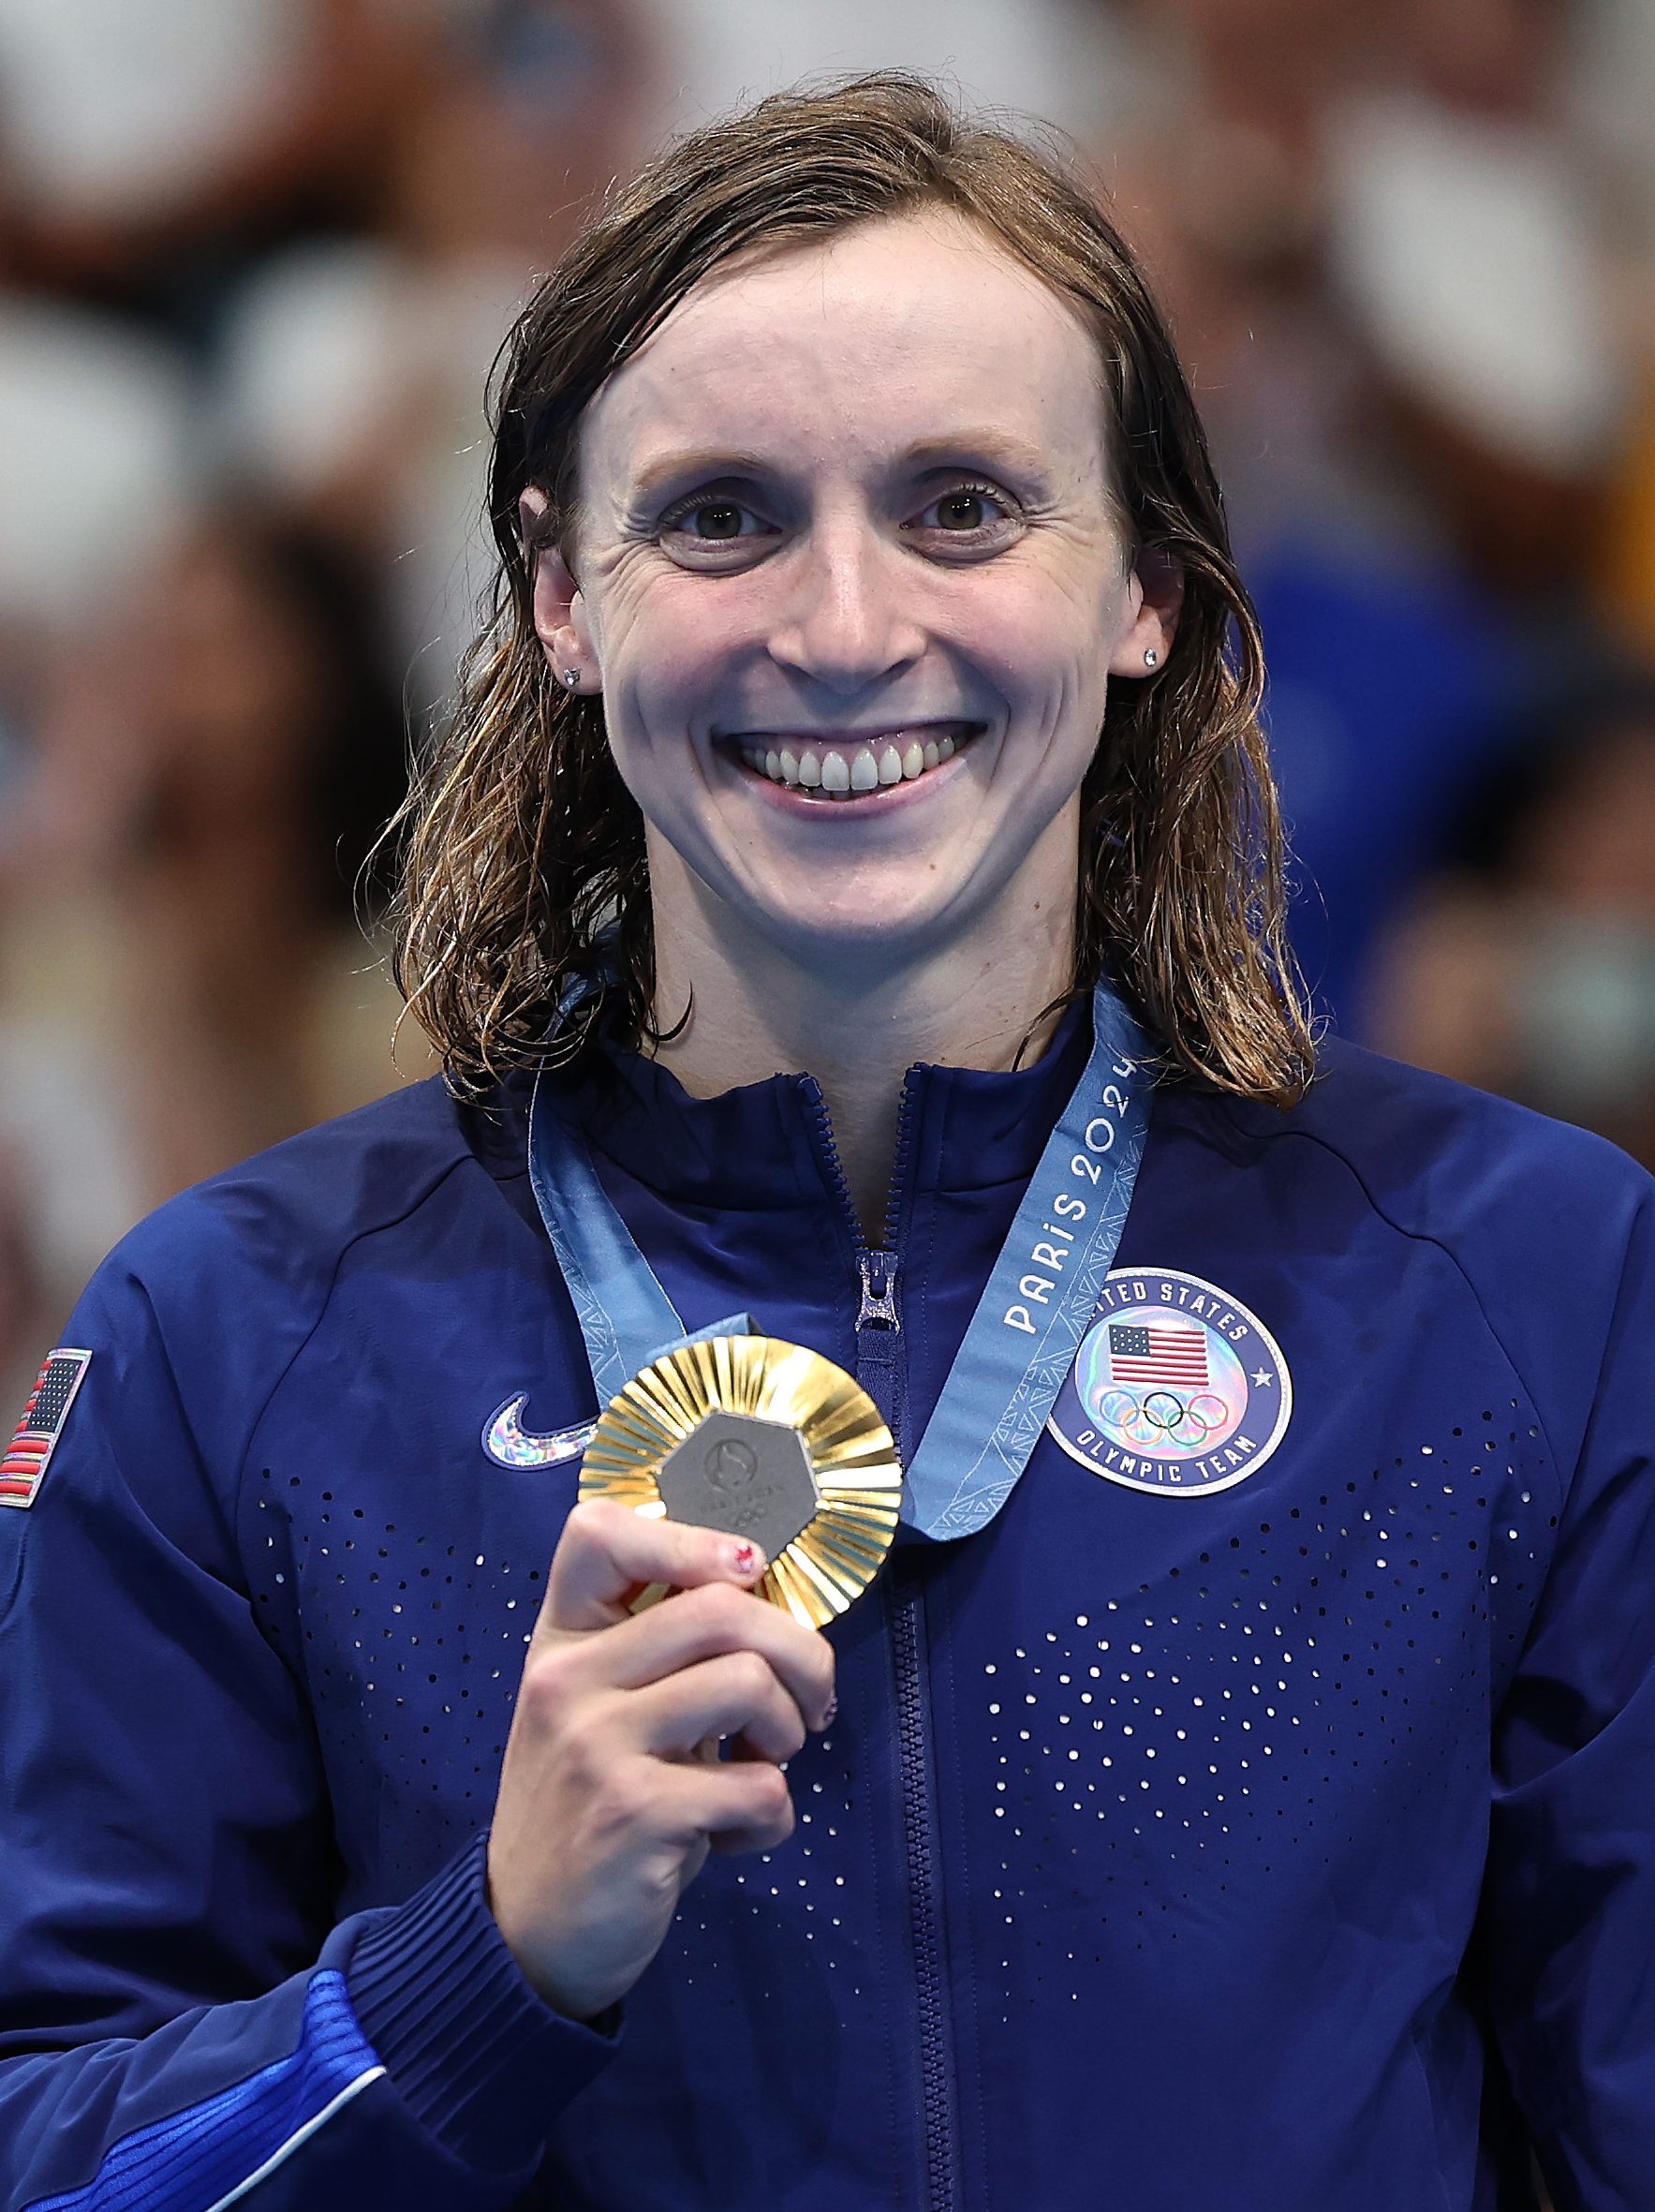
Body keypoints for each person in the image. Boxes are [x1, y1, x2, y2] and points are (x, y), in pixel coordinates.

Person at [0, 74, 1648, 2212]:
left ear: (1141, 582)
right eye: (719, 516)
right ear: (560, 591)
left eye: (960, 505)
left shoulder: (1518, 1278)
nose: (845, 623)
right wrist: (479, 1968)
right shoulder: (240, 1335)